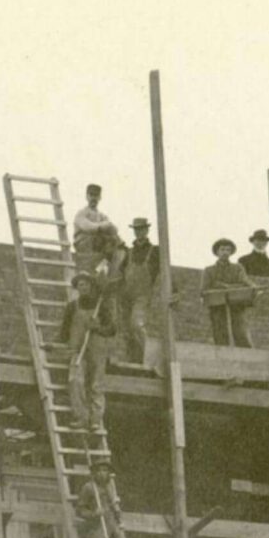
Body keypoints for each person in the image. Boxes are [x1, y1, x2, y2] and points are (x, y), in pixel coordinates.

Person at [66, 260, 120, 435]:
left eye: (86, 284)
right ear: (77, 287)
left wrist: (97, 328)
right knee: (75, 381)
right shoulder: (72, 307)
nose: (83, 287)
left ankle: (95, 420)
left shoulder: (100, 306)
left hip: (97, 348)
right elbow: (64, 330)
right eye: (80, 284)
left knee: (96, 385)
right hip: (77, 349)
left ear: (90, 286)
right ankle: (81, 417)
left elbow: (112, 329)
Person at [119, 217, 161, 363]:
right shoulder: (128, 252)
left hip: (142, 295)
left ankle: (151, 356)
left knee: (136, 324)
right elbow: (118, 271)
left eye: (142, 229)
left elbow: (165, 271)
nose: (139, 232)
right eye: (136, 230)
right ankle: (134, 359)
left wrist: (174, 290)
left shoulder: (155, 251)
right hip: (126, 295)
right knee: (127, 329)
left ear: (147, 230)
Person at [204, 237, 253, 346]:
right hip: (217, 306)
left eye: (228, 250)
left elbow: (245, 282)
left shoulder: (238, 268)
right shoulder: (209, 270)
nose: (225, 252)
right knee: (220, 333)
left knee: (240, 332)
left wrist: (225, 286)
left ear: (231, 252)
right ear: (217, 252)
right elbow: (204, 290)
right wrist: (220, 289)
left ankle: (245, 357)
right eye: (222, 249)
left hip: (236, 305)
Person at [72, 182, 121, 269]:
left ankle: (102, 269)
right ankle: (98, 269)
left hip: (98, 247)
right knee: (97, 237)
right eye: (91, 195)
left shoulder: (102, 215)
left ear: (99, 198)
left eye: (96, 196)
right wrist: (103, 226)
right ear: (87, 196)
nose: (93, 198)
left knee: (114, 241)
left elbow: (114, 229)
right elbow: (89, 227)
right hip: (85, 247)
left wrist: (107, 227)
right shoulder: (81, 213)